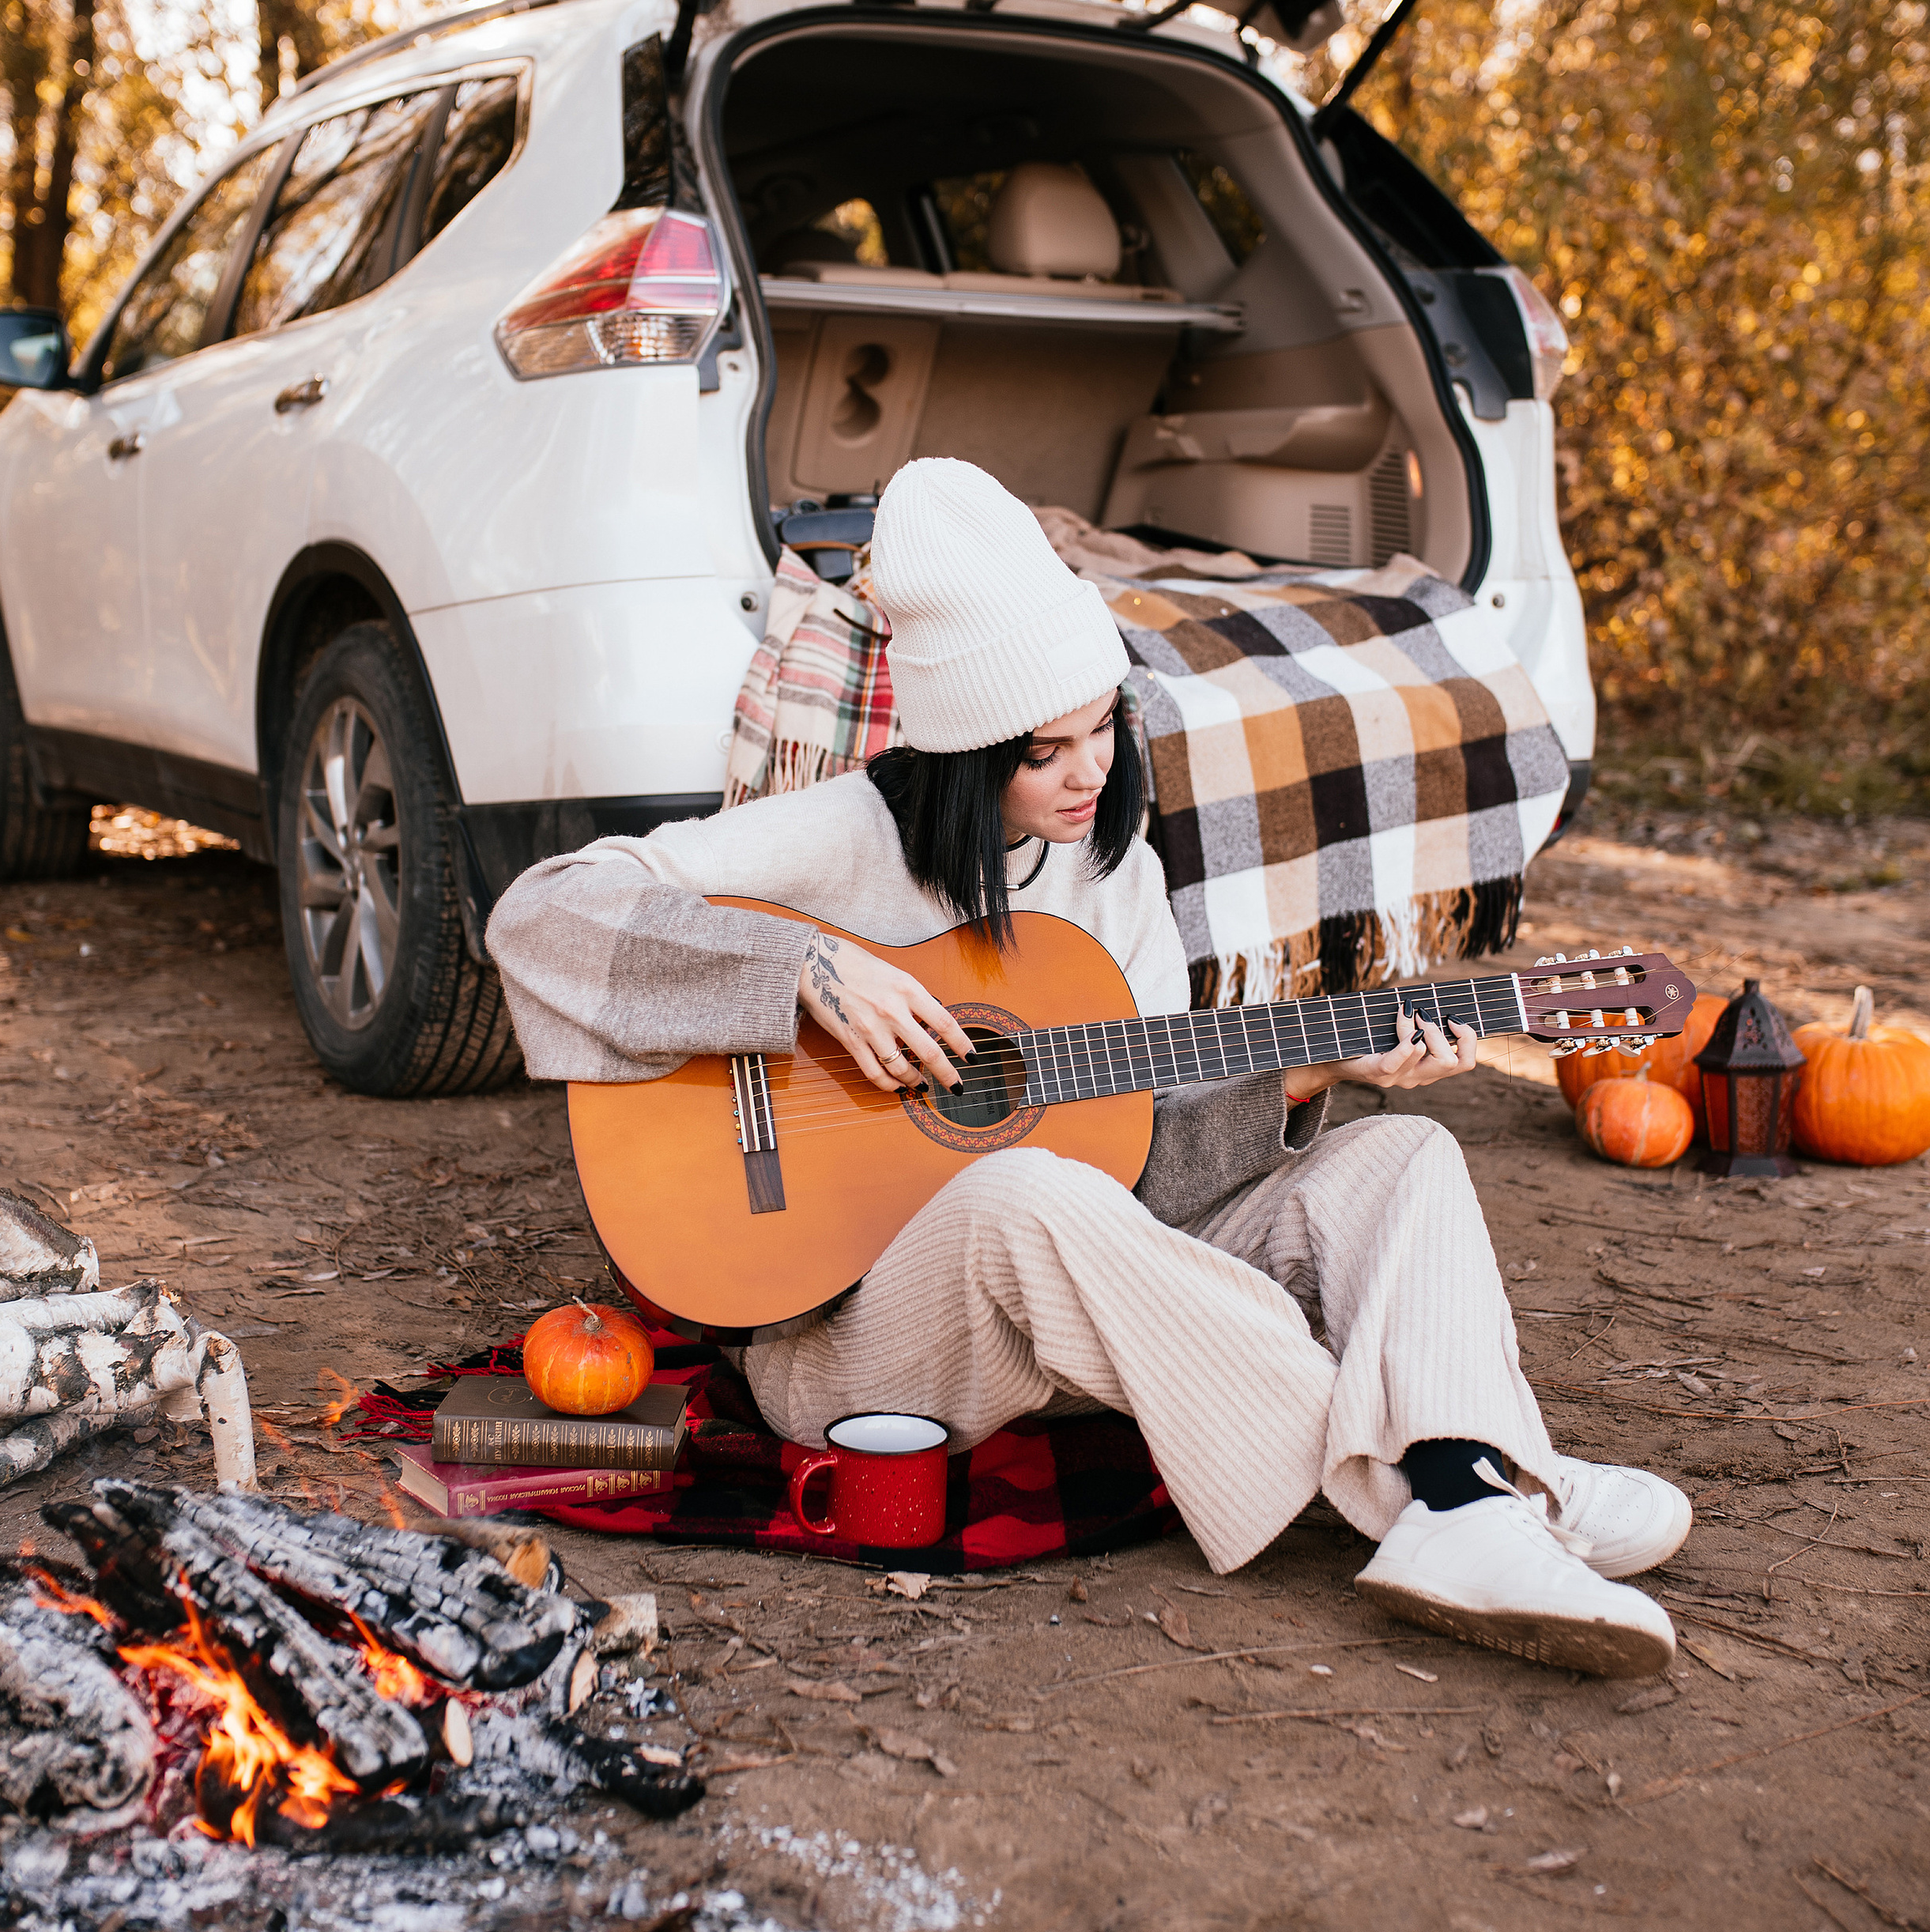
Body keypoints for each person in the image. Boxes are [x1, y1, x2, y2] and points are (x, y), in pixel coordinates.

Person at [488, 458, 1691, 1677]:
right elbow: (541, 915)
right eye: (1043, 751)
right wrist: (803, 968)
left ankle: (1467, 1498)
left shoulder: (1113, 875)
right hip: (847, 1347)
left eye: (1104, 724)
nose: (1091, 773)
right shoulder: (840, 835)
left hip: (1069, 1316)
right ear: (965, 754)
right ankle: (1472, 1477)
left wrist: (1296, 1083)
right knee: (1020, 1192)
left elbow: (1134, 1182)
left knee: (1402, 1155)